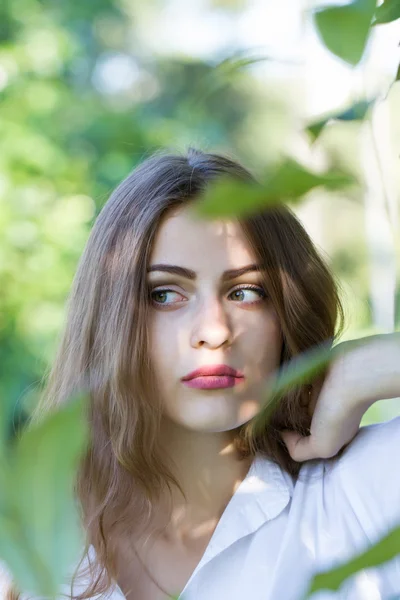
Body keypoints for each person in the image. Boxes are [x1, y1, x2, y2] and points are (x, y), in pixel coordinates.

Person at [2, 146, 400, 600]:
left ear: (286, 312)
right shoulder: (22, 553)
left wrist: (363, 367)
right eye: (165, 295)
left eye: (246, 292)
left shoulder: (363, 490)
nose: (214, 331)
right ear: (109, 319)